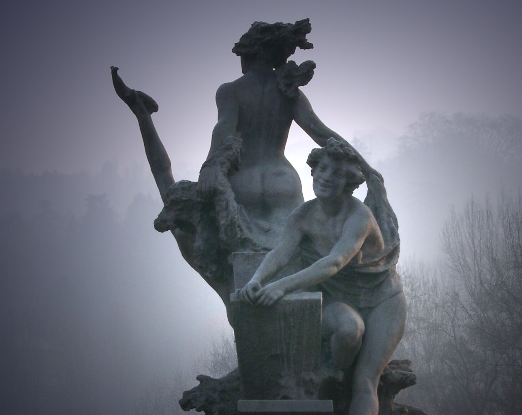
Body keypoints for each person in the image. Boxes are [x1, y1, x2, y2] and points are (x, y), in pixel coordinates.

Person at [112, 19, 376, 299]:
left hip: (242, 184)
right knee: (291, 251)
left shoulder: (231, 91)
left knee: (180, 209)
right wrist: (366, 168)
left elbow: (224, 132)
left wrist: (211, 167)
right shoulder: (289, 93)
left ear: (251, 54)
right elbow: (324, 135)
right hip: (283, 183)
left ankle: (143, 114)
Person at [240, 139, 406, 415]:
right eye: (323, 169)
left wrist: (282, 286)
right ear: (313, 171)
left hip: (383, 298)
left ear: (348, 182)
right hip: (339, 297)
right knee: (348, 330)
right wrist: (258, 280)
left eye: (337, 173)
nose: (327, 177)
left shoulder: (359, 216)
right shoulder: (303, 215)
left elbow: (335, 261)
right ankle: (334, 374)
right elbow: (281, 253)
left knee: (366, 378)